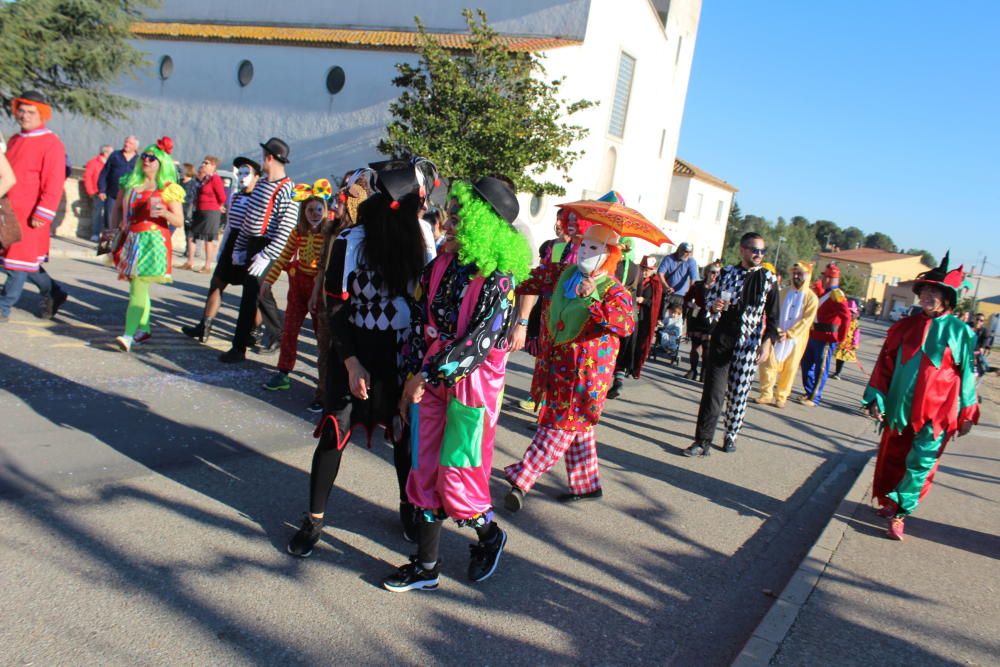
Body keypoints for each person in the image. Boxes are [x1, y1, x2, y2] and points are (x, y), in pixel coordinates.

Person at [382, 176, 532, 592]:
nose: (450, 216)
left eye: (462, 211)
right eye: (454, 208)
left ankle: (489, 535)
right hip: (431, 375)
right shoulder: (441, 264)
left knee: (458, 475)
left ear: (483, 221)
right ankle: (426, 566)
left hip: (472, 386)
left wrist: (425, 376)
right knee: (424, 468)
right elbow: (419, 323)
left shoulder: (500, 279)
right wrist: (411, 375)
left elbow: (478, 344)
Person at [285, 159, 433, 559]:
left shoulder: (421, 236)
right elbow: (335, 309)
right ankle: (314, 518)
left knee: (403, 437)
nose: (422, 210)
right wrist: (351, 362)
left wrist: (419, 367)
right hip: (356, 348)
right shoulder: (351, 240)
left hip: (401, 353)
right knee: (335, 432)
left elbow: (427, 304)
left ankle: (409, 508)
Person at [503, 222, 635, 509]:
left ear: (609, 254)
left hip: (585, 378)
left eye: (594, 247)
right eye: (584, 245)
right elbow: (528, 279)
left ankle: (522, 477)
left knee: (559, 425)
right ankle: (587, 484)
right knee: (578, 426)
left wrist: (593, 299)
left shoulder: (614, 290)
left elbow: (624, 324)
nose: (585, 251)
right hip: (556, 367)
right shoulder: (563, 274)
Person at [863, 253, 979, 540]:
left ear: (947, 298)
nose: (927, 295)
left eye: (934, 291)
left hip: (937, 414)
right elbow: (884, 366)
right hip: (899, 408)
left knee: (921, 463)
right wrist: (876, 396)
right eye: (924, 290)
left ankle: (901, 511)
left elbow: (967, 376)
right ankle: (891, 501)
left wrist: (967, 412)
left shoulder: (961, 332)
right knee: (893, 457)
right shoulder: (903, 328)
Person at [683, 232, 778, 457]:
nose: (759, 254)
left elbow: (774, 318)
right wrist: (714, 306)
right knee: (713, 393)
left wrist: (767, 344)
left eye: (762, 251)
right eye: (755, 250)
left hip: (748, 344)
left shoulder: (768, 278)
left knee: (739, 393)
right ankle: (702, 441)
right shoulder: (726, 273)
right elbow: (708, 301)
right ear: (743, 250)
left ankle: (731, 434)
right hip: (722, 338)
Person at [220, 138, 298, 363]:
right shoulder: (262, 184)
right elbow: (249, 219)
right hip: (254, 244)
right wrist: (240, 247)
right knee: (253, 293)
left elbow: (286, 227)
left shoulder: (288, 189)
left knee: (255, 292)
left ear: (269, 157)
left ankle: (245, 345)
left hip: (270, 247)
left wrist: (267, 254)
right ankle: (255, 340)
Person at [260, 179, 333, 412]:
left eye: (318, 209)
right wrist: (267, 281)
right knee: (290, 328)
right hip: (297, 283)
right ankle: (283, 372)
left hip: (318, 286)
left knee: (321, 335)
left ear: (325, 210)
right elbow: (283, 257)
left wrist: (318, 290)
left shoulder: (329, 232)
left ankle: (324, 385)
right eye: (310, 209)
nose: (314, 213)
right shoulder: (297, 232)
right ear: (303, 211)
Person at [0, 91, 70, 323]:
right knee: (24, 262)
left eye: (31, 112)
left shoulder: (51, 143)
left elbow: (54, 181)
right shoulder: (15, 139)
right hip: (10, 211)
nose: (25, 115)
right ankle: (54, 292)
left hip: (31, 214)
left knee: (18, 262)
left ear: (42, 115)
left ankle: (4, 307)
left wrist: (44, 211)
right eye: (21, 110)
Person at [110, 137, 185, 351]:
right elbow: (116, 209)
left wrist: (166, 213)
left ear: (162, 162)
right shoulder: (130, 183)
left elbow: (179, 220)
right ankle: (145, 328)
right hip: (131, 238)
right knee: (138, 286)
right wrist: (113, 229)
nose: (147, 160)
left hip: (154, 241)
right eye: (145, 156)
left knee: (138, 286)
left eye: (153, 158)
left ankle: (128, 335)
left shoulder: (169, 188)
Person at [182, 157, 260, 344]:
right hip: (233, 243)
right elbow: (231, 226)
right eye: (239, 172)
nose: (242, 177)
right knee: (216, 283)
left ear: (256, 177)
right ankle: (205, 326)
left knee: (254, 292)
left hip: (251, 245)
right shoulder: (236, 196)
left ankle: (255, 331)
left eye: (246, 173)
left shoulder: (260, 198)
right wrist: (223, 248)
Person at [756, 260, 819, 407]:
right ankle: (766, 394)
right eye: (794, 273)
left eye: (800, 274)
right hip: (777, 335)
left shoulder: (811, 298)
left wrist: (790, 334)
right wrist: (776, 330)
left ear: (807, 275)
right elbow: (774, 312)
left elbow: (807, 321)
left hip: (795, 339)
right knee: (768, 364)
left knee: (790, 369)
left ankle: (781, 396)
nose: (796, 276)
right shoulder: (782, 293)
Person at [798, 264, 851, 406]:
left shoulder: (837, 295)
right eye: (825, 276)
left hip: (827, 337)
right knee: (806, 364)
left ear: (836, 279)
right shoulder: (823, 293)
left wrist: (841, 337)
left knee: (821, 369)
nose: (826, 279)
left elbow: (846, 317)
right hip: (813, 335)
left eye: (830, 277)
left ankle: (815, 398)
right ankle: (809, 391)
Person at [611, 254, 663, 393]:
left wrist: (643, 300)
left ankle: (625, 371)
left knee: (632, 346)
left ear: (653, 270)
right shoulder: (634, 275)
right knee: (622, 345)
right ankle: (619, 375)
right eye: (644, 268)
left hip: (642, 318)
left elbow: (656, 304)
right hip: (628, 315)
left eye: (648, 269)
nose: (645, 271)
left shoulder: (655, 284)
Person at [183, 155, 226, 273]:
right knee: (191, 235)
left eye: (206, 163)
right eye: (203, 162)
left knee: (208, 239)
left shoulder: (215, 179)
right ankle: (189, 262)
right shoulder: (205, 179)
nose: (203, 164)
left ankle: (207, 266)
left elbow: (222, 196)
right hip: (200, 210)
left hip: (211, 212)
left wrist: (219, 205)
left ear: (213, 166)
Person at [683, 262, 720, 380]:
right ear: (707, 273)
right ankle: (693, 370)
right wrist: (691, 304)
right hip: (697, 317)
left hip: (712, 319)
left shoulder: (720, 287)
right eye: (713, 272)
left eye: (718, 273)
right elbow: (686, 299)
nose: (715, 275)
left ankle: (704, 372)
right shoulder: (697, 285)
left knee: (707, 347)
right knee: (695, 346)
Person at [98, 135, 138, 233]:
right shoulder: (115, 155)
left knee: (126, 218)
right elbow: (104, 173)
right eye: (126, 142)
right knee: (109, 216)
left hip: (128, 195)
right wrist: (102, 190)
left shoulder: (138, 160)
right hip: (112, 193)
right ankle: (108, 239)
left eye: (130, 143)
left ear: (135, 147)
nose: (126, 144)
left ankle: (120, 239)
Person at [657, 241, 698, 308]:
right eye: (686, 251)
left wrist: (690, 293)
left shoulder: (691, 261)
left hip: (681, 295)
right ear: (680, 250)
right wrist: (666, 287)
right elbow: (660, 273)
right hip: (667, 293)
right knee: (663, 316)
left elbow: (693, 279)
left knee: (677, 316)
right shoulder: (669, 258)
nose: (688, 254)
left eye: (690, 252)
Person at [83, 144, 112, 241]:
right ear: (105, 153)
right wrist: (90, 191)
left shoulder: (112, 163)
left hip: (110, 192)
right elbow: (87, 177)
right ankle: (95, 234)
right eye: (111, 152)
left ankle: (107, 237)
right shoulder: (93, 162)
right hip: (97, 192)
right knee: (97, 213)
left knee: (110, 214)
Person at [830, 300, 862, 380]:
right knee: (835, 356)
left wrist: (855, 343)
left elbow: (856, 334)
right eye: (848, 311)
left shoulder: (855, 323)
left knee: (841, 358)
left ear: (855, 313)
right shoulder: (841, 319)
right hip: (838, 341)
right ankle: (832, 371)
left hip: (847, 343)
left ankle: (838, 373)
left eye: (852, 312)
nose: (850, 314)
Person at [178, 163, 198, 244]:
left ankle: (188, 249)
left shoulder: (193, 183)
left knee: (188, 230)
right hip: (178, 208)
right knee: (171, 228)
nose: (180, 171)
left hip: (188, 210)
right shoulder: (179, 181)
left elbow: (194, 197)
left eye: (182, 169)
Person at [972, 312, 993, 380]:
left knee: (981, 362)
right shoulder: (967, 327)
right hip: (965, 352)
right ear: (974, 319)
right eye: (977, 319)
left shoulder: (984, 331)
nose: (979, 321)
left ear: (983, 322)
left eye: (981, 320)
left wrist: (982, 347)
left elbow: (984, 341)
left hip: (975, 354)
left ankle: (988, 368)